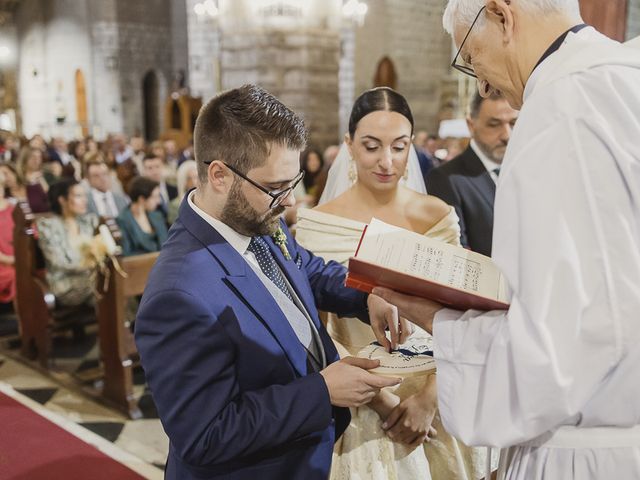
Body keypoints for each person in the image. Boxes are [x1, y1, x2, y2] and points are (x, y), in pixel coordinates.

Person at [372, 1, 640, 479]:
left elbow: (554, 354)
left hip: (585, 455)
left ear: (500, 15)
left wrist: (440, 320)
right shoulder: (624, 74)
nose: (482, 84)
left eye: (472, 57)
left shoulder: (559, 111)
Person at [134, 84, 404, 480]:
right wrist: (321, 392)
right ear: (220, 175)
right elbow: (205, 435)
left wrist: (368, 297)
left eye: (291, 185)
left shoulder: (251, 220)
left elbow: (305, 269)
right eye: (276, 188)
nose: (290, 202)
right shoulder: (178, 294)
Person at [296, 87, 488, 480]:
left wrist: (430, 397)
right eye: (371, 146)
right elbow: (310, 328)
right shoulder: (317, 224)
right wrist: (382, 401)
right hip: (361, 399)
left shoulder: (437, 215)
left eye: (399, 147)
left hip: (440, 392)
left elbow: (461, 313)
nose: (387, 161)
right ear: (349, 145)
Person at [427, 91, 518, 256]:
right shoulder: (447, 179)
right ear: (471, 125)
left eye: (513, 123)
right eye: (494, 124)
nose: (507, 135)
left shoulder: (528, 170)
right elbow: (455, 253)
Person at [36, 179, 97, 307]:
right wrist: (91, 266)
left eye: (84, 195)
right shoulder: (48, 227)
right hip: (65, 283)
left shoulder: (87, 222)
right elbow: (59, 262)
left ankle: (128, 324)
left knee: (114, 285)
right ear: (62, 200)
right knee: (107, 289)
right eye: (78, 196)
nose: (84, 200)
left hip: (90, 279)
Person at [116, 176, 168, 256]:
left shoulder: (157, 215)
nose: (159, 201)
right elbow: (127, 253)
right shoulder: (123, 220)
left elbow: (166, 245)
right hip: (140, 266)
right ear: (141, 199)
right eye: (155, 197)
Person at [141, 153, 177, 220]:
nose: (154, 172)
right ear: (144, 171)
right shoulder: (142, 197)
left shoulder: (174, 189)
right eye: (150, 168)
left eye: (157, 166)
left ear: (163, 167)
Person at [0, 169, 16, 307]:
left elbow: (31, 236)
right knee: (15, 275)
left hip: (20, 259)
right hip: (3, 264)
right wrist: (13, 260)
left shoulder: (14, 210)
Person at [168, 159, 197, 224]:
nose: (194, 182)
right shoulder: (175, 205)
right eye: (189, 178)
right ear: (184, 180)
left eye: (196, 177)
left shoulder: (206, 201)